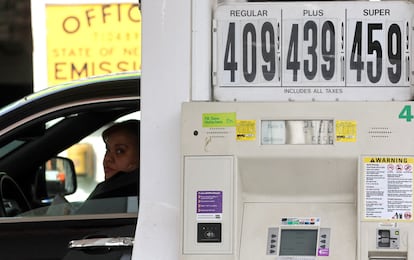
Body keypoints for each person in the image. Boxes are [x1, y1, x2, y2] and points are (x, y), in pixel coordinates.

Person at [86, 119, 140, 200]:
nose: (107, 158)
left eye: (120, 151)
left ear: (141, 155)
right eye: (107, 150)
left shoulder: (112, 194)